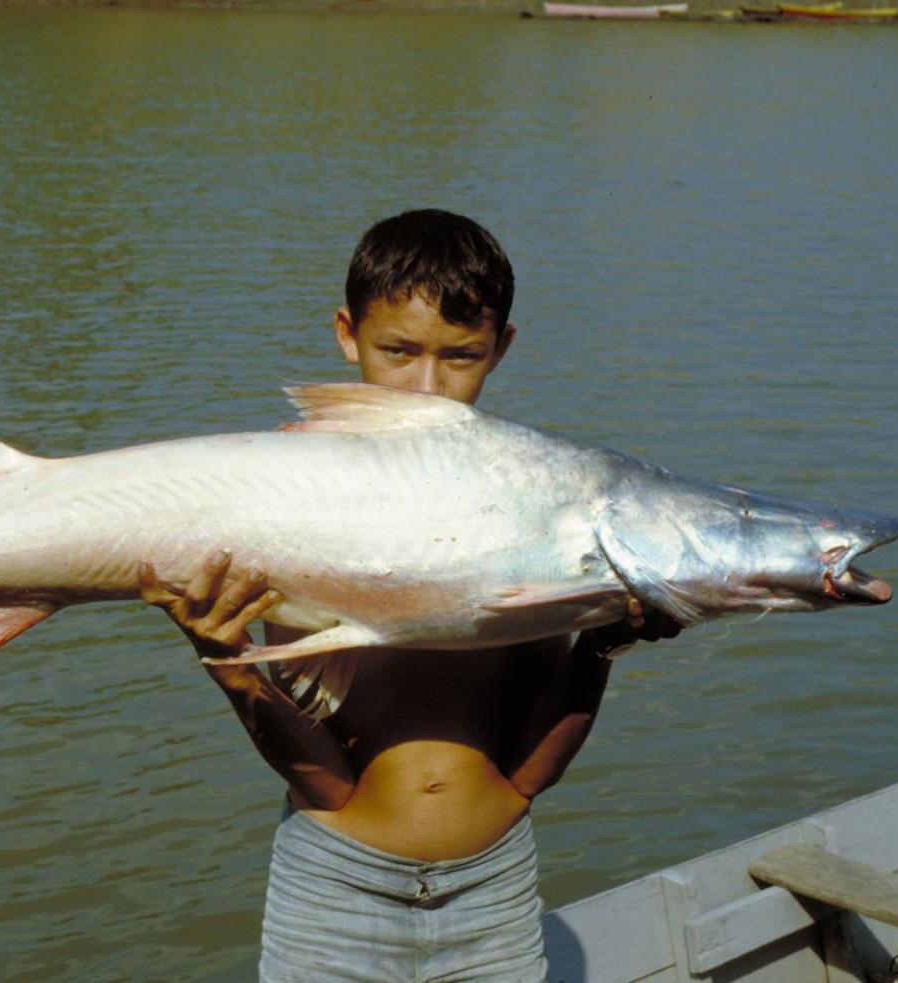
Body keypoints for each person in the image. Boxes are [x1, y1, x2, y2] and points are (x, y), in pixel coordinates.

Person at [138, 209, 678, 982]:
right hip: (334, 889)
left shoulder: (530, 501)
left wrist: (605, 639)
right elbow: (317, 775)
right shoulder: (288, 497)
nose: (427, 386)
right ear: (346, 334)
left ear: (503, 347)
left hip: (493, 890)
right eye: (397, 351)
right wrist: (220, 653)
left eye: (462, 356)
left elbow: (531, 770)